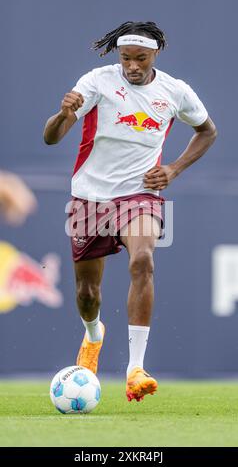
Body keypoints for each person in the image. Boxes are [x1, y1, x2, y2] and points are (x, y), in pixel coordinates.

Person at [43, 21, 217, 402]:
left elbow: (207, 131)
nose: (132, 66)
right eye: (126, 58)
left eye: (140, 58)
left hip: (140, 194)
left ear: (156, 55)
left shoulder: (175, 91)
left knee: (143, 261)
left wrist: (173, 169)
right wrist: (61, 114)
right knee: (87, 293)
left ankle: (135, 367)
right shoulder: (98, 82)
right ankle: (93, 335)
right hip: (89, 197)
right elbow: (51, 137)